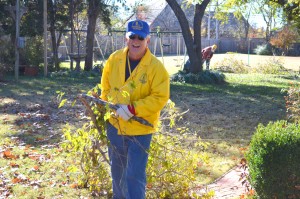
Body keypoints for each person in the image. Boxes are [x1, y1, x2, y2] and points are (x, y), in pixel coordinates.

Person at [100, 19, 170, 199]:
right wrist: (107, 106)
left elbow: (160, 97)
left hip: (141, 129)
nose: (136, 41)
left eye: (141, 37)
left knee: (134, 175)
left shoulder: (156, 68)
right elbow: (105, 87)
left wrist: (133, 109)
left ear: (148, 40)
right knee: (118, 174)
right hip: (116, 126)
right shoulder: (114, 59)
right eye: (132, 36)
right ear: (126, 38)